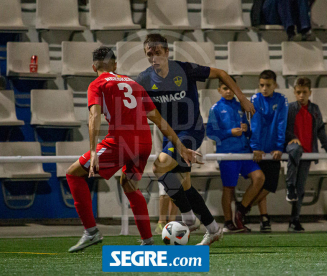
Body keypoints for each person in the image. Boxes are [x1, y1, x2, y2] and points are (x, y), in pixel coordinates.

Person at [66, 47, 201, 252]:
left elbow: (94, 115)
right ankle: (147, 240)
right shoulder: (133, 84)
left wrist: (93, 150)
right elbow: (158, 119)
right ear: (115, 65)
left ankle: (91, 232)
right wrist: (180, 146)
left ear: (94, 67)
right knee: (129, 185)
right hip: (143, 143)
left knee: (73, 174)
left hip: (121, 141)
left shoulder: (97, 84)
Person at [136, 33, 255, 245]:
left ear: (167, 52)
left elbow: (220, 73)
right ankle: (213, 228)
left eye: (158, 53)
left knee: (159, 167)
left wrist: (242, 97)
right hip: (171, 137)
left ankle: (189, 217)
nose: (154, 58)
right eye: (149, 54)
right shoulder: (144, 80)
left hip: (192, 131)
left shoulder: (184, 69)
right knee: (185, 185)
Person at [207, 79, 265, 233]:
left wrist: (246, 129)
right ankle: (228, 222)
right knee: (229, 188)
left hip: (244, 152)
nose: (228, 91)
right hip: (227, 154)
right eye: (225, 88)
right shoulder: (216, 109)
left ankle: (241, 210)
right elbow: (211, 133)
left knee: (259, 177)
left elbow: (248, 130)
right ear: (219, 90)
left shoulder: (240, 105)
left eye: (231, 88)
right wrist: (229, 132)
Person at [285, 77, 327, 232]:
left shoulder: (314, 109)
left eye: (304, 92)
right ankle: (289, 186)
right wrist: (293, 139)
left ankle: (294, 220)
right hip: (294, 150)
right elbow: (285, 129)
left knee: (300, 188)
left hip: (308, 152)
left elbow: (320, 130)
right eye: (298, 92)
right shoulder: (290, 109)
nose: (301, 95)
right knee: (293, 184)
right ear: (294, 93)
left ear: (310, 92)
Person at [250, 70, 288, 233]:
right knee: (260, 184)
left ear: (275, 85)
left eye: (268, 85)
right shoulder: (255, 99)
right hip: (258, 150)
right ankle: (264, 217)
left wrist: (279, 147)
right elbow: (255, 124)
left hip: (273, 150)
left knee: (270, 185)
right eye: (261, 85)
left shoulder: (281, 100)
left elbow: (281, 124)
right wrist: (256, 147)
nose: (264, 88)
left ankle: (243, 208)